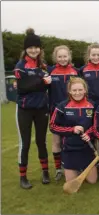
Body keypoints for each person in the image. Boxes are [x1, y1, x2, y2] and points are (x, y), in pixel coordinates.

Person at [15, 28, 52, 189]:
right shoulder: (20, 66)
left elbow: (46, 84)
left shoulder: (43, 65)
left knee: (41, 141)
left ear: (40, 49)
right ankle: (23, 177)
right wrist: (41, 83)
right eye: (30, 47)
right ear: (26, 49)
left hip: (41, 108)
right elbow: (22, 87)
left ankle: (45, 172)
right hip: (24, 109)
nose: (33, 50)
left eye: (36, 47)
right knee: (25, 143)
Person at [49, 77, 97, 184]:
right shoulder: (62, 106)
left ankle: (84, 168)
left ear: (85, 90)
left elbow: (97, 125)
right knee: (71, 182)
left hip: (87, 148)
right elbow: (52, 126)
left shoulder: (92, 105)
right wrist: (72, 130)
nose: (77, 93)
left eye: (80, 90)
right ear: (69, 91)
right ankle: (71, 168)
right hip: (69, 149)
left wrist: (89, 133)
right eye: (74, 90)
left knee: (92, 181)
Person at [47, 45, 79, 181]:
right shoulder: (49, 71)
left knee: (74, 138)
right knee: (57, 141)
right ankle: (59, 168)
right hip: (56, 111)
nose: (62, 59)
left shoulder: (76, 72)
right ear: (56, 57)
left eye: (65, 56)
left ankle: (75, 164)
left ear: (69, 57)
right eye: (60, 56)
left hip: (73, 110)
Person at [79, 43, 99, 109]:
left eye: (98, 55)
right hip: (88, 103)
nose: (96, 57)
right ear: (89, 56)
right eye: (93, 55)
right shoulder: (82, 70)